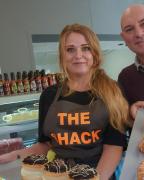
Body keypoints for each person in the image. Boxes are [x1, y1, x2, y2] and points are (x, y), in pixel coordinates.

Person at [0, 24, 131, 180]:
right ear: (62, 56)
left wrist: (96, 178)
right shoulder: (49, 95)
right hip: (57, 174)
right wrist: (15, 155)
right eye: (70, 49)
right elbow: (46, 145)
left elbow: (113, 146)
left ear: (94, 53)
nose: (78, 55)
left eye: (85, 48)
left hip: (99, 172)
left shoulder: (113, 91)